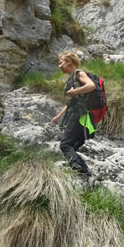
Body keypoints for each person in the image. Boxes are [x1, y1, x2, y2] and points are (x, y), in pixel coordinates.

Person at [51, 51, 96, 179]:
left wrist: (74, 91)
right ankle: (83, 173)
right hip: (82, 115)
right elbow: (71, 101)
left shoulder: (78, 73)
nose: (59, 66)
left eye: (61, 62)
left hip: (80, 115)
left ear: (69, 61)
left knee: (65, 145)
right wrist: (58, 117)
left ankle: (83, 174)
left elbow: (91, 85)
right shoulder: (72, 79)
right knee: (73, 147)